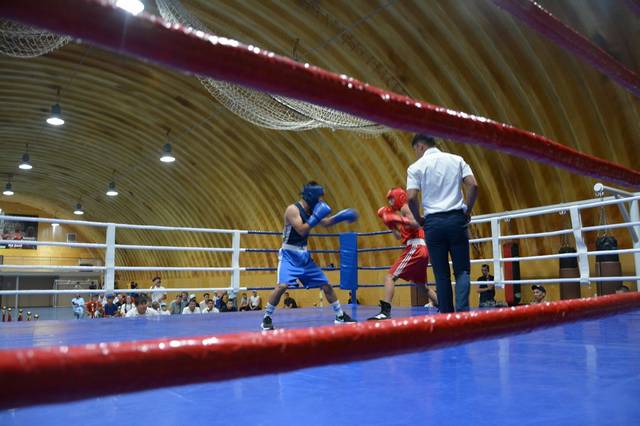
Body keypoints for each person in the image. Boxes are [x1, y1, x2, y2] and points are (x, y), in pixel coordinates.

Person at [261, 182, 358, 330]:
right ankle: (266, 317)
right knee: (282, 286)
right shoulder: (292, 210)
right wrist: (317, 215)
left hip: (304, 256)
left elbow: (326, 222)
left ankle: (339, 315)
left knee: (326, 285)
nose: (320, 201)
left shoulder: (312, 210)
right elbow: (301, 230)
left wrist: (342, 216)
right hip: (289, 255)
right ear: (311, 195)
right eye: (318, 197)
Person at [407, 134, 478, 313]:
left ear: (420, 146)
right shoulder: (457, 159)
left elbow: (411, 197)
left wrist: (419, 219)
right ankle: (463, 313)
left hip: (433, 224)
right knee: (462, 271)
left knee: (441, 274)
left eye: (416, 150)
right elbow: (473, 185)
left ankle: (447, 316)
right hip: (456, 220)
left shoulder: (416, 167)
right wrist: (467, 211)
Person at [370, 187, 438, 320]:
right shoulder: (401, 213)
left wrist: (397, 219)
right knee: (422, 286)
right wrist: (390, 224)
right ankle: (443, 306)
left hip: (415, 247)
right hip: (420, 248)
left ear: (399, 197)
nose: (390, 202)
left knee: (389, 277)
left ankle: (385, 312)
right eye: (388, 200)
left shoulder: (405, 208)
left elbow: (416, 224)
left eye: (391, 199)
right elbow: (398, 236)